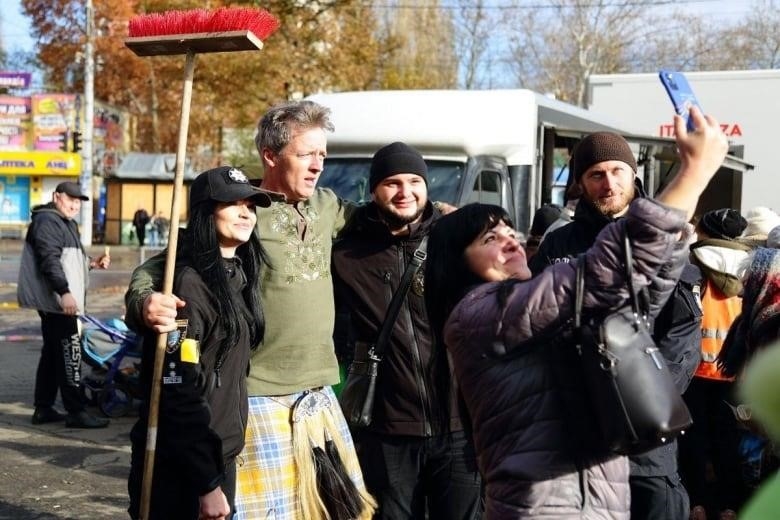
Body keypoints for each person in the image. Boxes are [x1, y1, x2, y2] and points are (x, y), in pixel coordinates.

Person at [423, 106, 727, 519]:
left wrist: (669, 246)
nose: (511, 242)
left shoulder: (518, 298)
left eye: (511, 232)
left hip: (600, 491)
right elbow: (601, 278)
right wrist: (693, 174)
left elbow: (631, 310)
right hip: (550, 507)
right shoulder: (480, 314)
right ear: (456, 261)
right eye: (490, 238)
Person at [124, 100, 375, 519]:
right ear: (271, 155)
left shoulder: (328, 207)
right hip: (259, 398)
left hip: (320, 392)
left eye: (322, 156)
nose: (317, 166)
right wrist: (145, 301)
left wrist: (443, 214)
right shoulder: (242, 211)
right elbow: (158, 269)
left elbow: (382, 218)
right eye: (306, 154)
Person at [529, 132, 704, 520]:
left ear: (633, 173)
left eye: (617, 171)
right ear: (580, 182)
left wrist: (641, 398)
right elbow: (537, 330)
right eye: (596, 174)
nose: (608, 183)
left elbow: (683, 334)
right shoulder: (557, 246)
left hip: (647, 438)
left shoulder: (662, 237)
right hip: (576, 438)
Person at [332, 142, 482, 519]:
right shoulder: (346, 254)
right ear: (373, 190)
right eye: (392, 183)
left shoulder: (457, 242)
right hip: (387, 430)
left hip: (459, 428)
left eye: (415, 181)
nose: (405, 192)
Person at [128, 166, 273, 520]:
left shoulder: (239, 273)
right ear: (206, 213)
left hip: (219, 454)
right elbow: (178, 393)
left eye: (250, 206)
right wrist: (207, 484)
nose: (245, 213)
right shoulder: (189, 285)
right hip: (185, 466)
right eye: (232, 204)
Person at [17, 181, 111, 429]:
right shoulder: (48, 221)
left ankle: (44, 408)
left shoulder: (64, 223)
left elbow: (70, 259)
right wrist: (65, 293)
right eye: (71, 199)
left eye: (79, 201)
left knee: (52, 354)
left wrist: (92, 263)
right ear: (56, 197)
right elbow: (49, 261)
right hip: (58, 302)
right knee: (70, 352)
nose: (75, 205)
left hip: (59, 301)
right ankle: (76, 411)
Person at [678, 208, 752, 520]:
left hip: (693, 369)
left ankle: (697, 503)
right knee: (729, 439)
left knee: (694, 439)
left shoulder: (690, 262)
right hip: (735, 369)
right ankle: (730, 506)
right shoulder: (753, 267)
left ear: (705, 232)